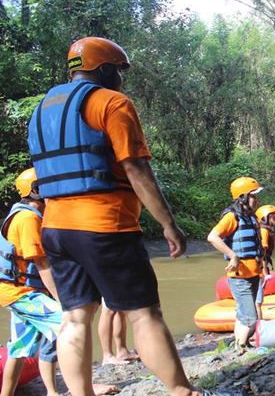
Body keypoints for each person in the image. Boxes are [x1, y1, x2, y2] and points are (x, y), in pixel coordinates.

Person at [27, 37, 201, 396]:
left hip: (55, 228)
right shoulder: (112, 102)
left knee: (75, 317)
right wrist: (169, 224)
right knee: (144, 313)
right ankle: (183, 392)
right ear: (104, 68)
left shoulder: (41, 108)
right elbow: (135, 168)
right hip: (104, 226)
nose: (122, 78)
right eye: (119, 70)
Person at [0, 168, 62, 396]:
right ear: (35, 190)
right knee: (68, 325)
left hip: (18, 291)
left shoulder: (28, 215)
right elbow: (42, 265)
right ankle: (84, 387)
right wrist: (61, 299)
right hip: (22, 293)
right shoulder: (27, 219)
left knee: (19, 348)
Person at [207, 177, 264, 352]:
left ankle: (240, 347)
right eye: (253, 196)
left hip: (253, 274)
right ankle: (241, 345)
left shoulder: (252, 217)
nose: (257, 200)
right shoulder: (232, 217)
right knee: (251, 318)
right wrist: (232, 255)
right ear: (242, 197)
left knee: (242, 315)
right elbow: (212, 237)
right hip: (239, 277)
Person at [255, 205, 275, 319]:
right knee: (258, 300)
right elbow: (263, 253)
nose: (274, 218)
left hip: (262, 265)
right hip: (259, 267)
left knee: (258, 298)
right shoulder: (264, 230)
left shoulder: (267, 229)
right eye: (271, 216)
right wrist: (265, 272)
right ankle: (259, 324)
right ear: (264, 218)